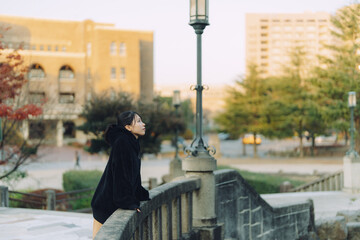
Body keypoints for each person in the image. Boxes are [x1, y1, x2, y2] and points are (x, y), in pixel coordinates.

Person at [91, 111, 150, 239]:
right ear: (128, 127)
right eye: (139, 121)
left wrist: (139, 193)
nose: (143, 124)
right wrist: (128, 202)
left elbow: (133, 173)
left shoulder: (131, 141)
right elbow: (120, 175)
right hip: (105, 205)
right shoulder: (122, 142)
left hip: (108, 202)